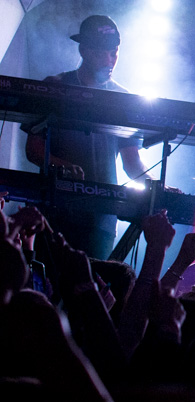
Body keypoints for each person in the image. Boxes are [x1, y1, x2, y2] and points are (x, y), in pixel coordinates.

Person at [24, 15, 150, 259]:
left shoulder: (123, 98)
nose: (110, 60)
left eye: (114, 53)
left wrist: (157, 185)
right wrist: (63, 167)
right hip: (54, 211)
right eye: (102, 53)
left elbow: (132, 163)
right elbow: (33, 148)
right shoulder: (55, 86)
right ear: (84, 50)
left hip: (100, 220)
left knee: (93, 283)